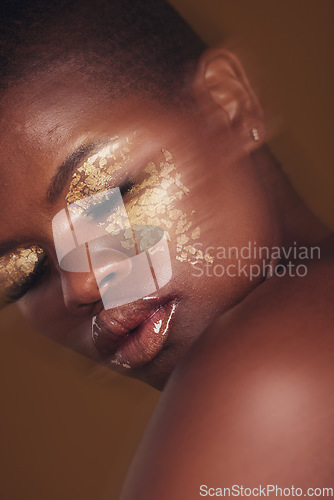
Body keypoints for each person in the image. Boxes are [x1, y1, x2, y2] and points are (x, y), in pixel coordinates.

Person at [0, 0, 333, 498]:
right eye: (24, 274)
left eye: (107, 196)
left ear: (229, 102)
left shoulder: (267, 378)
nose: (83, 285)